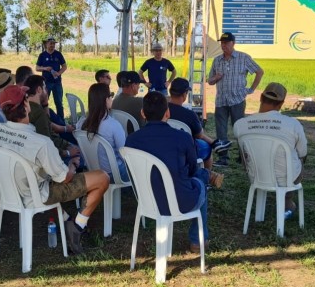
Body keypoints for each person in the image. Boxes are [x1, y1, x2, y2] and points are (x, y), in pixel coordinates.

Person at [0, 85, 109, 254]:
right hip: (36, 194)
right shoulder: (40, 142)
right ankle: (78, 226)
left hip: (7, 191)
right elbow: (64, 178)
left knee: (41, 177)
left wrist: (4, 173)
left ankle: (66, 219)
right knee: (102, 177)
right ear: (26, 105)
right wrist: (73, 164)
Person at [125, 92, 209, 253]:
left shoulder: (132, 140)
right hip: (180, 201)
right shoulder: (183, 138)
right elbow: (192, 170)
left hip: (147, 200)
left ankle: (206, 177)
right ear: (168, 113)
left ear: (143, 113)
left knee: (198, 176)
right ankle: (197, 241)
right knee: (200, 177)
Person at [233, 83, 307, 211]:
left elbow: (243, 155)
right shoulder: (293, 124)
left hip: (256, 176)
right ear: (281, 103)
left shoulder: (240, 125)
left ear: (261, 97)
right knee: (297, 156)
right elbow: (303, 152)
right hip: (287, 178)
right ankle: (287, 201)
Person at [207, 32, 264, 166]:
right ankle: (223, 158)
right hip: (221, 100)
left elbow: (259, 71)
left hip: (237, 100)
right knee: (221, 130)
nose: (223, 45)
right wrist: (216, 78)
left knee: (239, 129)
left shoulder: (243, 58)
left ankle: (242, 157)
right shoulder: (217, 60)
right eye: (222, 43)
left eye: (226, 43)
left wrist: (250, 90)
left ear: (233, 43)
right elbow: (209, 81)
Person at [79, 83, 129, 181]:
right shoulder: (113, 125)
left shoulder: (81, 123)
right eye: (111, 95)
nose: (111, 98)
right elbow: (124, 154)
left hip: (91, 170)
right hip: (113, 173)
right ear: (106, 100)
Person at [25, 75, 79, 160]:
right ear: (39, 90)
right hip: (57, 153)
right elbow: (47, 147)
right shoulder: (39, 114)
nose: (46, 91)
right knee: (85, 155)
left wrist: (45, 104)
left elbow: (48, 123)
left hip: (55, 147)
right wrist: (68, 153)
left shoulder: (26, 107)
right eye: (44, 87)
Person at [168, 78, 217, 170]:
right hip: (186, 151)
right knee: (207, 149)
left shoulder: (161, 110)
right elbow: (199, 135)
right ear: (184, 94)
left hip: (165, 146)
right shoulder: (189, 114)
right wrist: (212, 142)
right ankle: (206, 177)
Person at [35, 36, 67, 120]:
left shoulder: (58, 54)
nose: (52, 45)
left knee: (59, 103)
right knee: (43, 102)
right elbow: (37, 68)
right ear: (46, 44)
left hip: (57, 83)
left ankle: (61, 121)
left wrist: (58, 73)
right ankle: (43, 120)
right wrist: (45, 68)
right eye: (50, 43)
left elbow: (64, 66)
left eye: (53, 43)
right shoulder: (42, 55)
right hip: (46, 83)